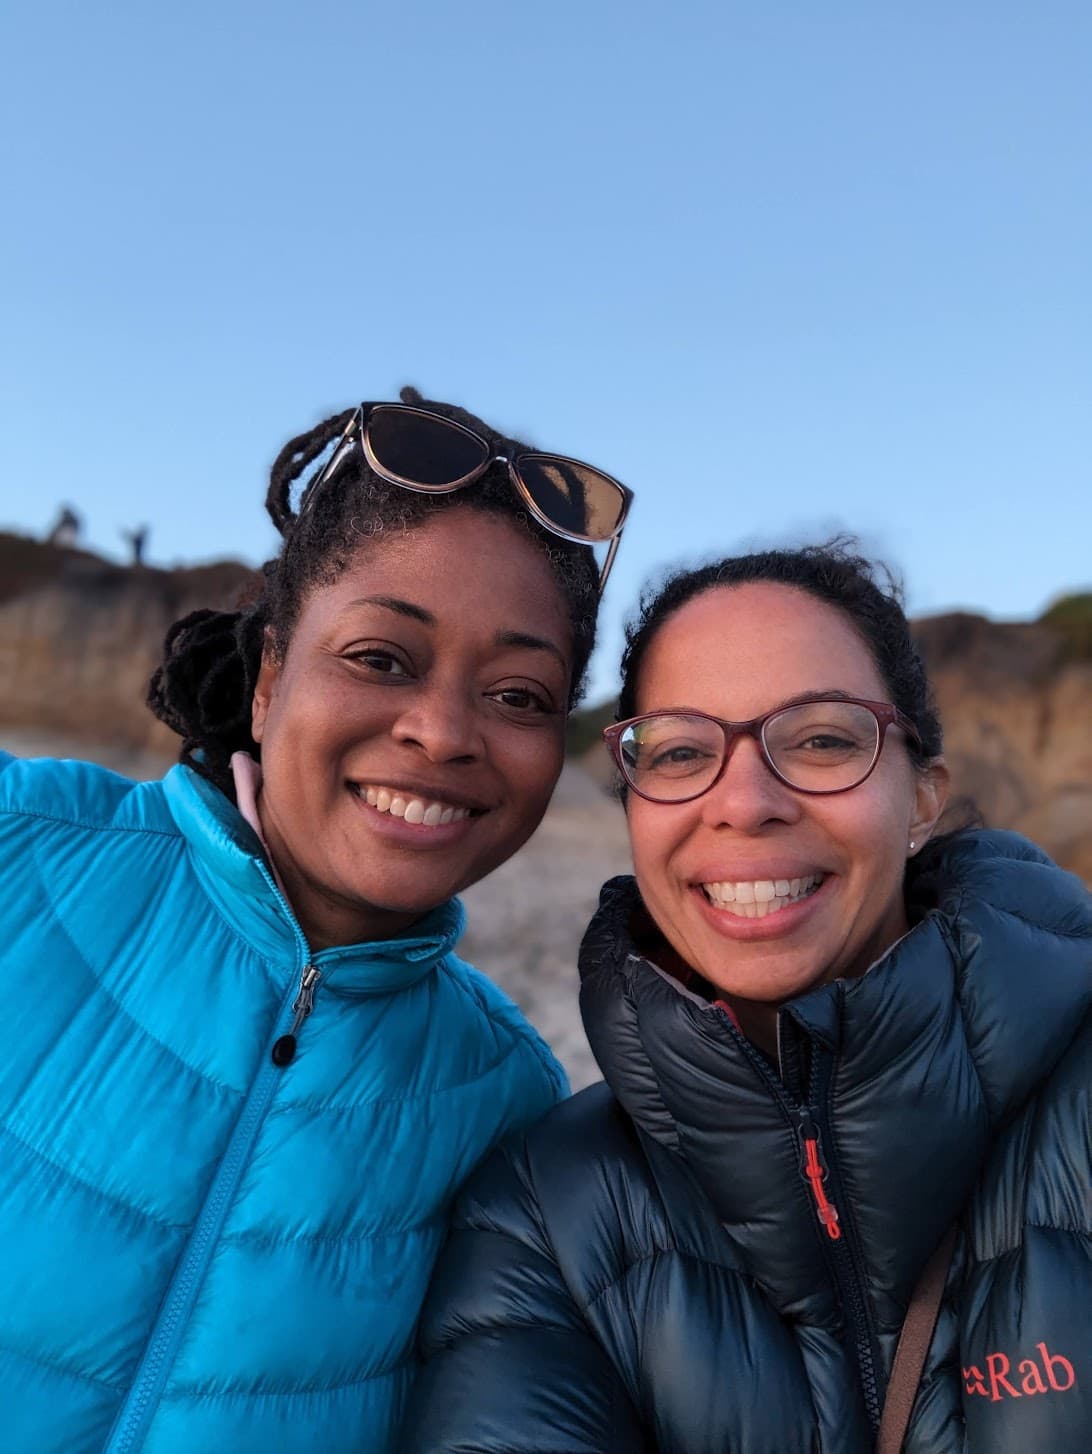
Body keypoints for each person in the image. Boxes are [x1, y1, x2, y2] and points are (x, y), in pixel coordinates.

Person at [0, 388, 632, 1454]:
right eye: (381, 658)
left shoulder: (510, 1097)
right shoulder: (23, 845)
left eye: (520, 695)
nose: (440, 732)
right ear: (269, 678)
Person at [404, 543, 1092, 1454]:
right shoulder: (543, 1217)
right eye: (683, 750)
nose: (743, 801)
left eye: (820, 739)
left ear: (923, 800)